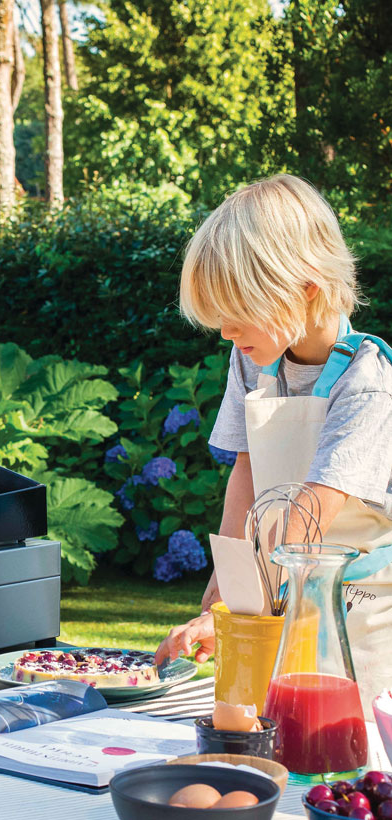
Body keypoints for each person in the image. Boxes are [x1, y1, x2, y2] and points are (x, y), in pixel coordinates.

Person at [155, 174, 392, 713]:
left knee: (347, 761)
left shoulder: (367, 379)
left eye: (237, 311)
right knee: (268, 736)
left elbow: (312, 513)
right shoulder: (252, 360)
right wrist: (226, 582)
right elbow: (247, 470)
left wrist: (242, 612)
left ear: (307, 287)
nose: (223, 330)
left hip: (354, 609)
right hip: (284, 578)